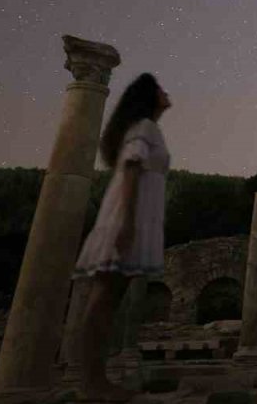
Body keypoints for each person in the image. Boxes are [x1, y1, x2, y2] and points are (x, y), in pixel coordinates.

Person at [72, 73, 171, 401]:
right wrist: (127, 224)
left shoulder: (145, 127)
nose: (167, 93)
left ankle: (93, 379)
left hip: (134, 218)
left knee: (107, 302)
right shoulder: (144, 127)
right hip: (127, 219)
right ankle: (91, 382)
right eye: (160, 88)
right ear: (149, 96)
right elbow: (130, 168)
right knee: (102, 303)